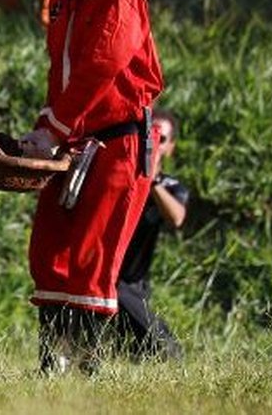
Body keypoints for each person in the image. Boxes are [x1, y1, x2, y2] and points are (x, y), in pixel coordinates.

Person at [22, 0, 165, 376]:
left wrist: (56, 129)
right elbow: (59, 74)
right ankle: (53, 361)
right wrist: (46, 126)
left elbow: (100, 68)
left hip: (118, 142)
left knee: (90, 256)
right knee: (49, 247)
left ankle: (88, 367)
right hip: (76, 138)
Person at [111, 108, 189, 362]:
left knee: (158, 348)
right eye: (149, 133)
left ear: (171, 148)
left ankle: (171, 355)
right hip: (108, 278)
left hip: (134, 285)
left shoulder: (169, 187)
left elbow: (176, 217)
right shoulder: (119, 178)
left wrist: (152, 180)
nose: (154, 140)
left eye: (161, 138)